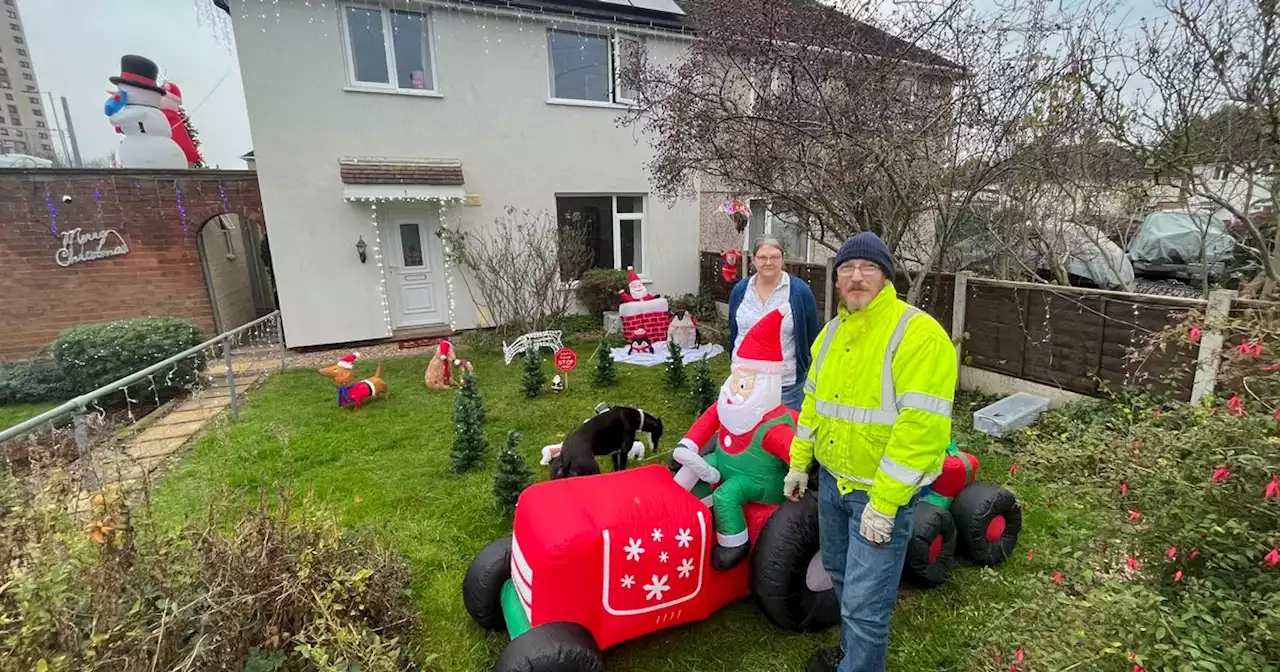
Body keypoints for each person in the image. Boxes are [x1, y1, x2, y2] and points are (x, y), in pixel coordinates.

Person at [782, 232, 957, 672]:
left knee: (866, 602)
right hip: (833, 487)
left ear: (885, 276)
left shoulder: (916, 334)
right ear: (837, 279)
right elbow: (813, 407)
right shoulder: (829, 336)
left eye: (867, 269)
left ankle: (858, 664)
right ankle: (852, 654)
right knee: (842, 579)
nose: (856, 277)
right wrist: (800, 464)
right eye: (846, 269)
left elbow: (921, 430)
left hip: (878, 497)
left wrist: (884, 503)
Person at [728, 237, 820, 412]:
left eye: (774, 257)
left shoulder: (799, 292)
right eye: (762, 257)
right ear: (753, 259)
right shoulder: (740, 290)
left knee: (783, 436)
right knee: (745, 434)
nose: (768, 262)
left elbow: (812, 336)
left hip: (785, 385)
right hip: (743, 381)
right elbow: (734, 332)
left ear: (783, 258)